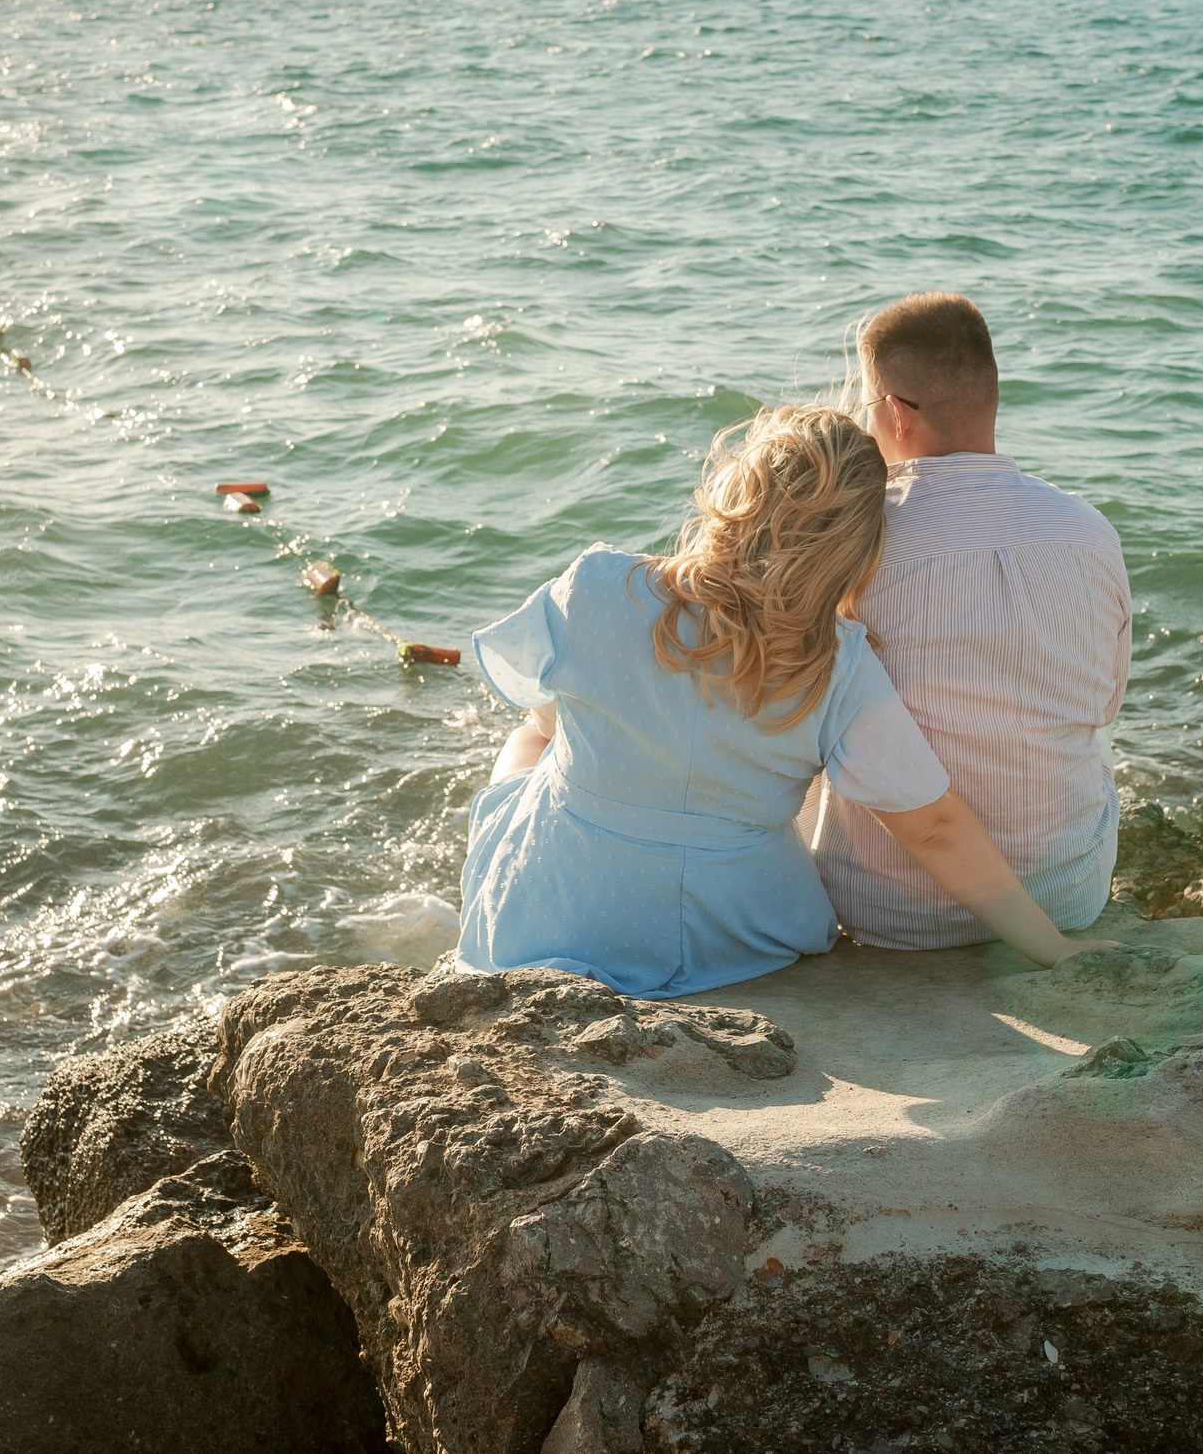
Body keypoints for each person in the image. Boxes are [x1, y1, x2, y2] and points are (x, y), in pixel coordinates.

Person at [459, 405, 1113, 999]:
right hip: (737, 930)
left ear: (736, 489)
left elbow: (535, 699)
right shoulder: (839, 664)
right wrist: (1052, 946)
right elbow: (934, 826)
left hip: (559, 909)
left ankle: (499, 843)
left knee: (533, 736)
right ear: (855, 552)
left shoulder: (599, 585)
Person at [802, 292, 1133, 950]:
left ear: (894, 411)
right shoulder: (1089, 534)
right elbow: (1106, 702)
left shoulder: (855, 538)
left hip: (886, 913)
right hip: (1066, 893)